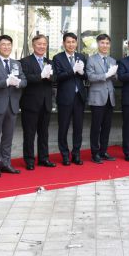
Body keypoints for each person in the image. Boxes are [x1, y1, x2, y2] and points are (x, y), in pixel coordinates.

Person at [0, 35, 26, 177]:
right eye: (3, 44)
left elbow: (24, 81)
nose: (6, 47)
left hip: (13, 105)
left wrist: (18, 83)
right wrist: (6, 82)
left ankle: (6, 163)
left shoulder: (17, 64)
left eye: (9, 44)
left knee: (8, 137)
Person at [19, 35, 55, 169]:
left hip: (46, 103)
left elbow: (55, 77)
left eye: (44, 44)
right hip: (30, 103)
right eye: (39, 44)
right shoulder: (25, 61)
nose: (42, 46)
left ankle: (43, 158)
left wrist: (50, 76)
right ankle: (29, 160)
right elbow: (25, 78)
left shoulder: (49, 61)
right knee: (29, 133)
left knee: (44, 133)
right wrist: (40, 76)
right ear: (33, 45)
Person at [53, 32, 88, 166]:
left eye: (73, 42)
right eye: (68, 42)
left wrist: (82, 73)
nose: (71, 44)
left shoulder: (81, 57)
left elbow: (86, 77)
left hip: (79, 97)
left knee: (78, 128)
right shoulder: (58, 58)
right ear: (64, 43)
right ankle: (65, 155)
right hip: (65, 98)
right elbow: (57, 77)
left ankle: (76, 154)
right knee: (63, 128)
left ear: (76, 43)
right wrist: (72, 71)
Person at [86, 34, 118, 164]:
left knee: (106, 126)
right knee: (96, 127)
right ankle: (95, 153)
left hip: (110, 97)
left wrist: (114, 75)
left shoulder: (112, 60)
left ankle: (103, 151)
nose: (105, 45)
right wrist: (106, 75)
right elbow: (90, 77)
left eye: (107, 43)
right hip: (97, 97)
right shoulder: (91, 59)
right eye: (102, 43)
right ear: (98, 44)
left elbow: (115, 78)